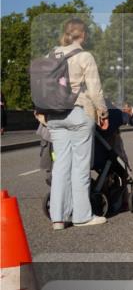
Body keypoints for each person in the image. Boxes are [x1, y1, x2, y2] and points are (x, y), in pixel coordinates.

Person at [43, 18, 109, 229]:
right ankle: (82, 216)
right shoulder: (84, 56)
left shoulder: (50, 55)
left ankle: (58, 217)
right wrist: (103, 112)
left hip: (54, 115)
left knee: (60, 166)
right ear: (83, 35)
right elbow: (95, 89)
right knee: (80, 167)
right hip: (78, 113)